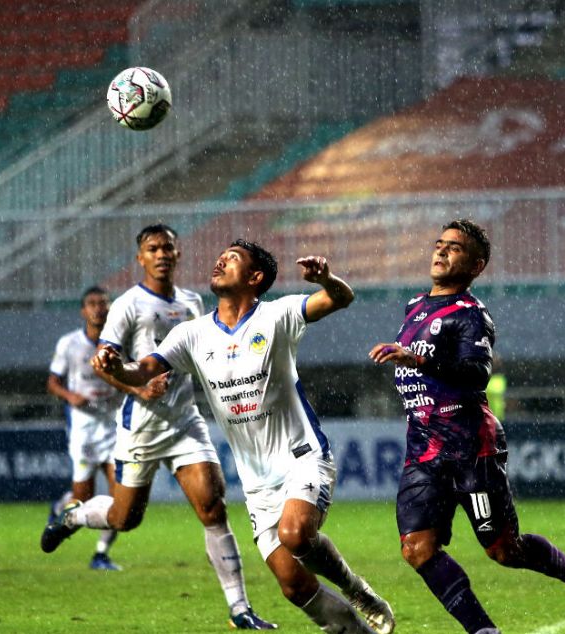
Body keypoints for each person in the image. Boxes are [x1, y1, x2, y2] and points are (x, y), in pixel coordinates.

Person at [93, 239, 395, 634]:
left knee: (296, 535)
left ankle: (356, 589)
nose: (220, 260)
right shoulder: (192, 334)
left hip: (302, 456)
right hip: (257, 482)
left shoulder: (278, 315)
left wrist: (328, 279)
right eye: (221, 256)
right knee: (293, 586)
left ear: (255, 278)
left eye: (232, 259)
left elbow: (340, 298)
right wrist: (117, 367)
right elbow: (143, 370)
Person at [367, 219, 565, 634]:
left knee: (504, 550)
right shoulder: (413, 307)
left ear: (476, 265)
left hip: (470, 446)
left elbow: (476, 373)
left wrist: (419, 361)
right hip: (424, 449)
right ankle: (484, 631)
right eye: (439, 244)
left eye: (455, 248)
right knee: (417, 548)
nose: (442, 251)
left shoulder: (472, 315)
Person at [40, 225, 275, 630]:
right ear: (141, 258)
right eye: (153, 248)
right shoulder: (129, 304)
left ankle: (240, 609)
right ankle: (74, 517)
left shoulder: (192, 301)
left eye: (168, 246)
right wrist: (135, 383)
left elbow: (206, 350)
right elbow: (105, 361)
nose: (162, 253)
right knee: (124, 518)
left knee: (212, 507)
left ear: (178, 253)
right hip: (141, 426)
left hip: (185, 421)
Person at [45, 286, 131, 571]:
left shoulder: (121, 343)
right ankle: (61, 508)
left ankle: (101, 554)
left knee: (122, 500)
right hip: (83, 430)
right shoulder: (69, 344)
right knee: (82, 498)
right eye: (92, 304)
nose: (98, 308)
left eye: (103, 303)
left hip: (115, 428)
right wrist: (70, 396)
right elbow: (52, 382)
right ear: (83, 311)